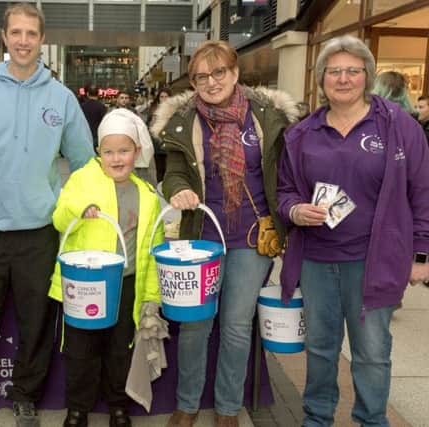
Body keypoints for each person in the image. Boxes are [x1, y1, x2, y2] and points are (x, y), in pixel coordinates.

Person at [0, 3, 95, 427]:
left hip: (40, 234)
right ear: (4, 37)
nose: (24, 40)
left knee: (36, 325)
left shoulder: (61, 98)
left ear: (41, 40)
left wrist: (71, 209)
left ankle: (26, 397)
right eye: (16, 32)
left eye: (31, 33)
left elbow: (84, 163)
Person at [277, 35, 429, 427]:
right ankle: (317, 418)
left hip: (376, 260)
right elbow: (285, 191)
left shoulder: (400, 128)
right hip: (316, 260)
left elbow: (422, 191)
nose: (343, 79)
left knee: (372, 352)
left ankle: (372, 420)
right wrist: (295, 209)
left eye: (353, 71)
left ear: (367, 76)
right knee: (321, 348)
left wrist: (421, 255)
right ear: (321, 78)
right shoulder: (302, 134)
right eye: (334, 71)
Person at [150, 40, 298, 427]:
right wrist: (177, 188)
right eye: (202, 76)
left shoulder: (266, 117)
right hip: (201, 238)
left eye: (219, 73)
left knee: (235, 324)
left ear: (235, 73)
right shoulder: (184, 120)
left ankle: (229, 408)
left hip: (252, 239)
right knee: (196, 325)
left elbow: (285, 173)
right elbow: (176, 171)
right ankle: (187, 403)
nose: (211, 82)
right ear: (193, 81)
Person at [48, 108, 164, 427]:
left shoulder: (148, 196)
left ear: (137, 152)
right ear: (99, 152)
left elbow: (153, 249)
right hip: (87, 282)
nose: (116, 159)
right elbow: (58, 217)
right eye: (109, 151)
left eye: (124, 151)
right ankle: (78, 409)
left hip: (126, 284)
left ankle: (118, 405)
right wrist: (77, 210)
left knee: (119, 347)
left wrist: (151, 295)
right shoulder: (82, 179)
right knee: (80, 348)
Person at [147, 87, 173, 183]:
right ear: (158, 98)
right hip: (157, 144)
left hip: (170, 144)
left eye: (166, 96)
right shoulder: (153, 110)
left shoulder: (175, 109)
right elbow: (148, 126)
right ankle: (160, 188)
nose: (164, 99)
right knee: (159, 169)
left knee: (170, 169)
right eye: (162, 96)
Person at [81, 84, 107, 148]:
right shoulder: (102, 107)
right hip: (98, 136)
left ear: (87, 94)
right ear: (98, 94)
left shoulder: (82, 106)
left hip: (85, 136)